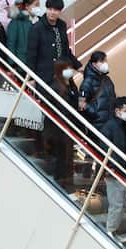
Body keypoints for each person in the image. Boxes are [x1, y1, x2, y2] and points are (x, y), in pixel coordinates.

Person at [99, 96, 126, 238]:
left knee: (123, 203)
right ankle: (110, 231)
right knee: (117, 203)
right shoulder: (110, 127)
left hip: (125, 168)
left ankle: (114, 230)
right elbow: (103, 149)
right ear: (117, 111)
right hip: (115, 170)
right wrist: (111, 167)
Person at [26, 0, 77, 86]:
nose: (52, 12)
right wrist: (31, 77)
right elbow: (31, 55)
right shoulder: (37, 28)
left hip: (61, 72)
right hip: (44, 75)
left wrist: (77, 65)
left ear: (60, 11)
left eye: (56, 10)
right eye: (50, 9)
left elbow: (65, 49)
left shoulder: (62, 25)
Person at [46, 58, 82, 188]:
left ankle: (67, 183)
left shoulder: (71, 85)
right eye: (67, 68)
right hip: (59, 129)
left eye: (71, 68)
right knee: (62, 157)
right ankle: (60, 183)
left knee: (68, 158)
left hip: (69, 126)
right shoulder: (55, 87)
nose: (70, 71)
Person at [80, 51, 117, 128]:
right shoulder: (88, 81)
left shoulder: (107, 80)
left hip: (110, 123)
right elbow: (81, 103)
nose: (105, 63)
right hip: (96, 124)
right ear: (94, 64)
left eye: (105, 61)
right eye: (102, 61)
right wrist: (94, 113)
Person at [7, 0, 39, 64]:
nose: (38, 8)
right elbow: (11, 44)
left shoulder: (39, 21)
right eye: (35, 5)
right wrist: (12, 64)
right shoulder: (16, 22)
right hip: (22, 63)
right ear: (27, 6)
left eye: (38, 5)